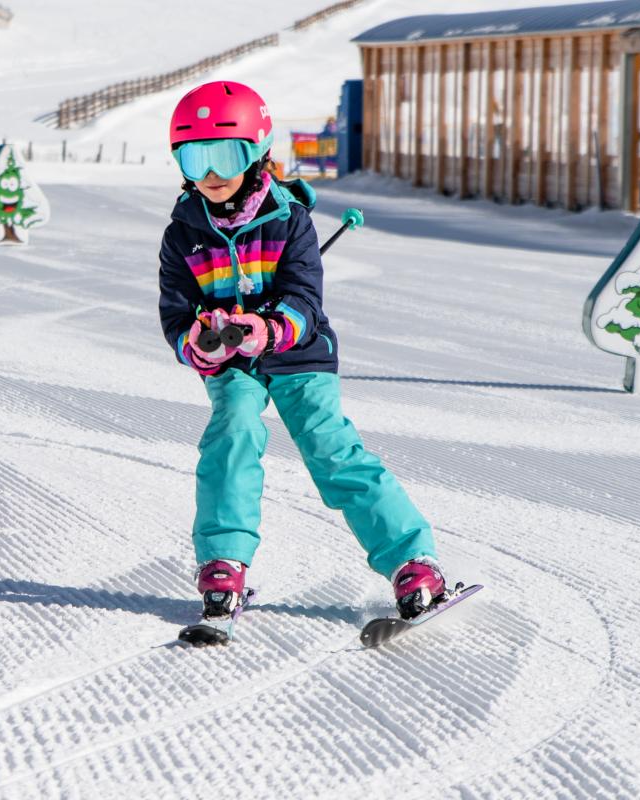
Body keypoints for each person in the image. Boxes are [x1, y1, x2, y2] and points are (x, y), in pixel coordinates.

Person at [155, 81, 450, 627]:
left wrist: (268, 328)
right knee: (232, 432)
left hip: (300, 354)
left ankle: (413, 559)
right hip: (232, 363)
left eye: (227, 155)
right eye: (196, 159)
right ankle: (224, 561)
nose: (212, 174)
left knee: (330, 447)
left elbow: (304, 301)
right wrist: (197, 342)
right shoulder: (183, 234)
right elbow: (176, 312)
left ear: (257, 153)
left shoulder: (291, 220)